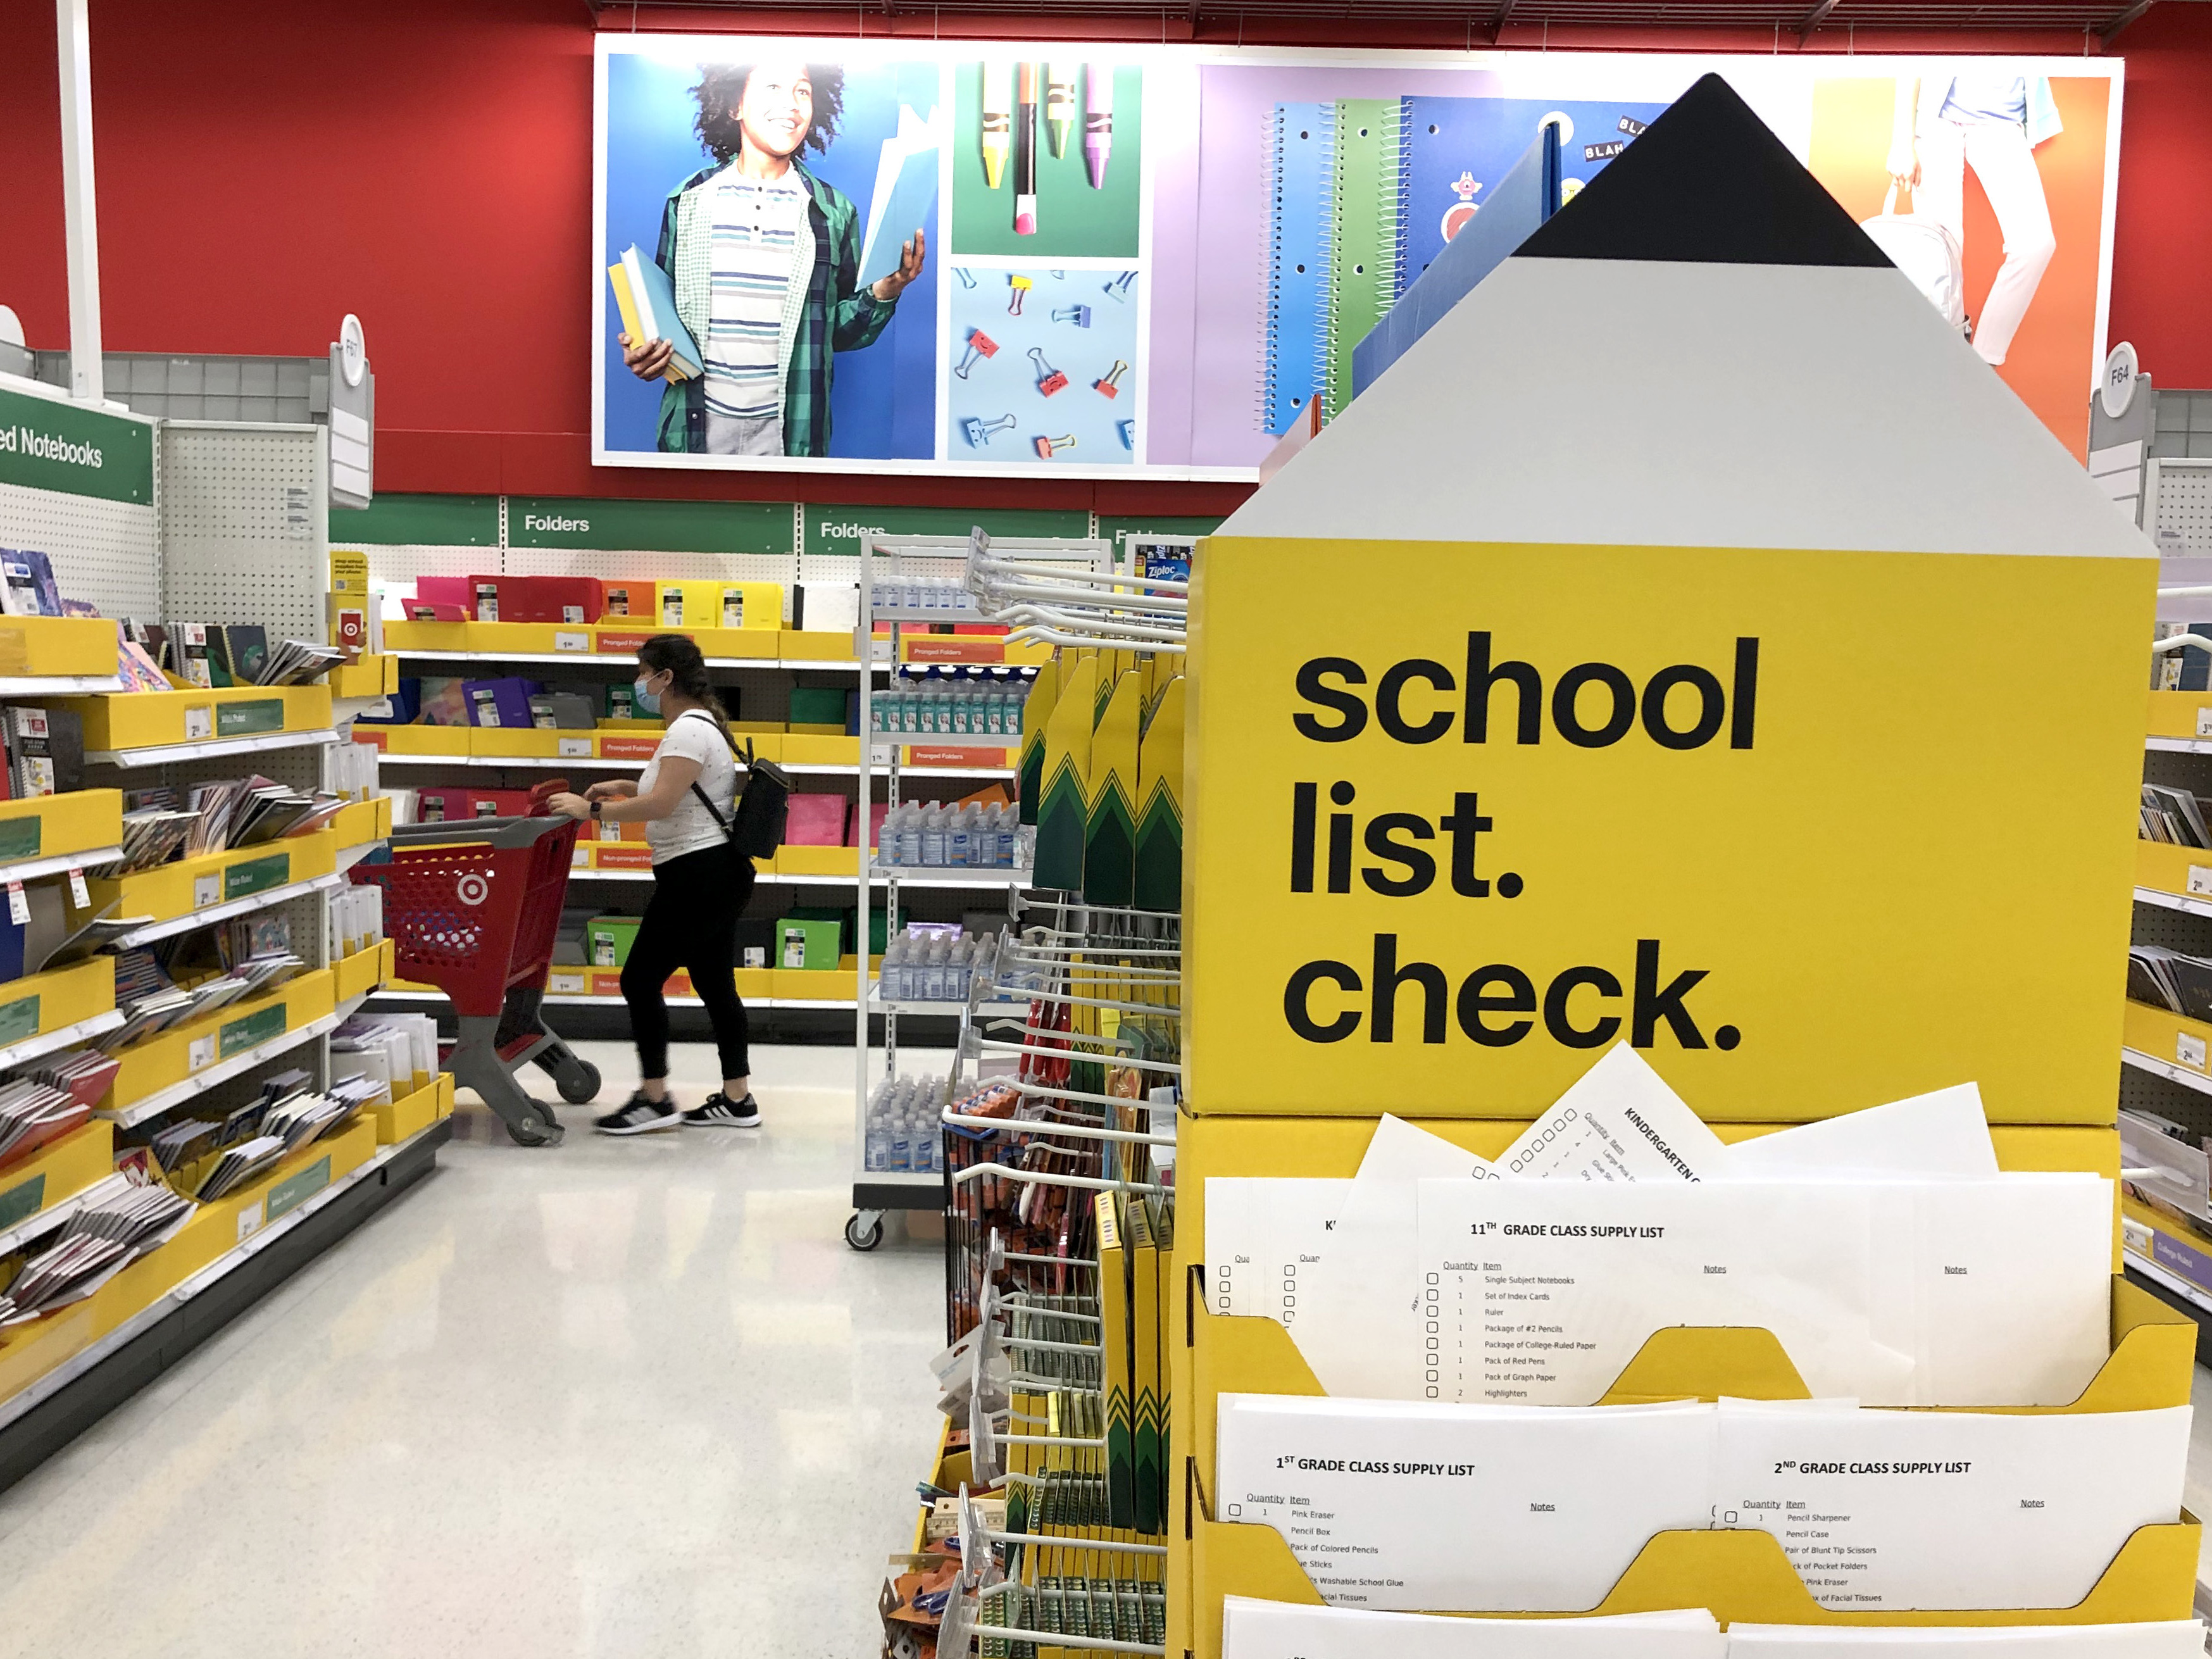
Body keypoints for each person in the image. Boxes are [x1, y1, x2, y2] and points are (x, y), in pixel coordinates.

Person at [621, 59, 928, 458]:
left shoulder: (833, 211)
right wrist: (646, 351)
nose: (792, 105)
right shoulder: (688, 201)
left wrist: (888, 288)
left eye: (803, 91)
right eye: (773, 89)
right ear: (735, 106)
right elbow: (660, 317)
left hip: (792, 434)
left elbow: (837, 334)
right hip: (695, 429)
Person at [547, 636, 758, 1135]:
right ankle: (737, 1098)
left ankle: (655, 1098)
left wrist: (591, 810)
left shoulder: (687, 730)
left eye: (643, 672)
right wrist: (624, 787)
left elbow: (662, 804)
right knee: (715, 986)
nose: (638, 682)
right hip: (715, 871)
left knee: (638, 979)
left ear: (665, 678)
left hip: (696, 874)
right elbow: (682, 791)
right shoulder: (706, 723)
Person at [1888, 72, 2060, 368]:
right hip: (1938, 121)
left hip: (2003, 122)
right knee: (1941, 257)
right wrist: (1901, 142)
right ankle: (1940, 370)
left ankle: (1979, 367)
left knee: (2036, 245)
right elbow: (1914, 54)